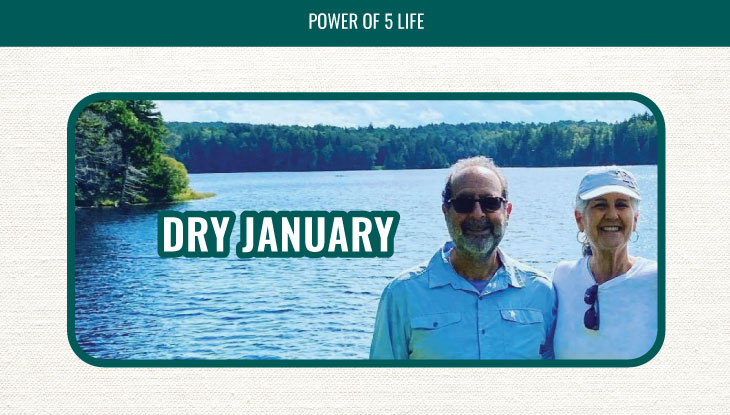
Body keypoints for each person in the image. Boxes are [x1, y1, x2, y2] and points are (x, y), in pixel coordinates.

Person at [370, 156, 556, 359]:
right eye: (464, 203)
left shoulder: (541, 292)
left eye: (490, 203)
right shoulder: (402, 294)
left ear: (507, 211)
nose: (477, 215)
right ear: (446, 212)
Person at [552, 166, 658, 359]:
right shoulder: (562, 277)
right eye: (600, 205)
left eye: (621, 205)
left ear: (635, 219)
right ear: (579, 219)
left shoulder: (657, 280)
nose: (611, 215)